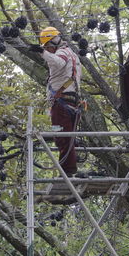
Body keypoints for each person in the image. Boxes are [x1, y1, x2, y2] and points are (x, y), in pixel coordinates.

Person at [30, 27, 82, 176]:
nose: (47, 50)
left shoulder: (62, 53)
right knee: (66, 136)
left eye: (47, 46)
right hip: (71, 103)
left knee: (62, 137)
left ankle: (68, 171)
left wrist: (41, 52)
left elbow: (58, 62)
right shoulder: (73, 56)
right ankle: (68, 168)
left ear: (54, 42)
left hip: (62, 104)